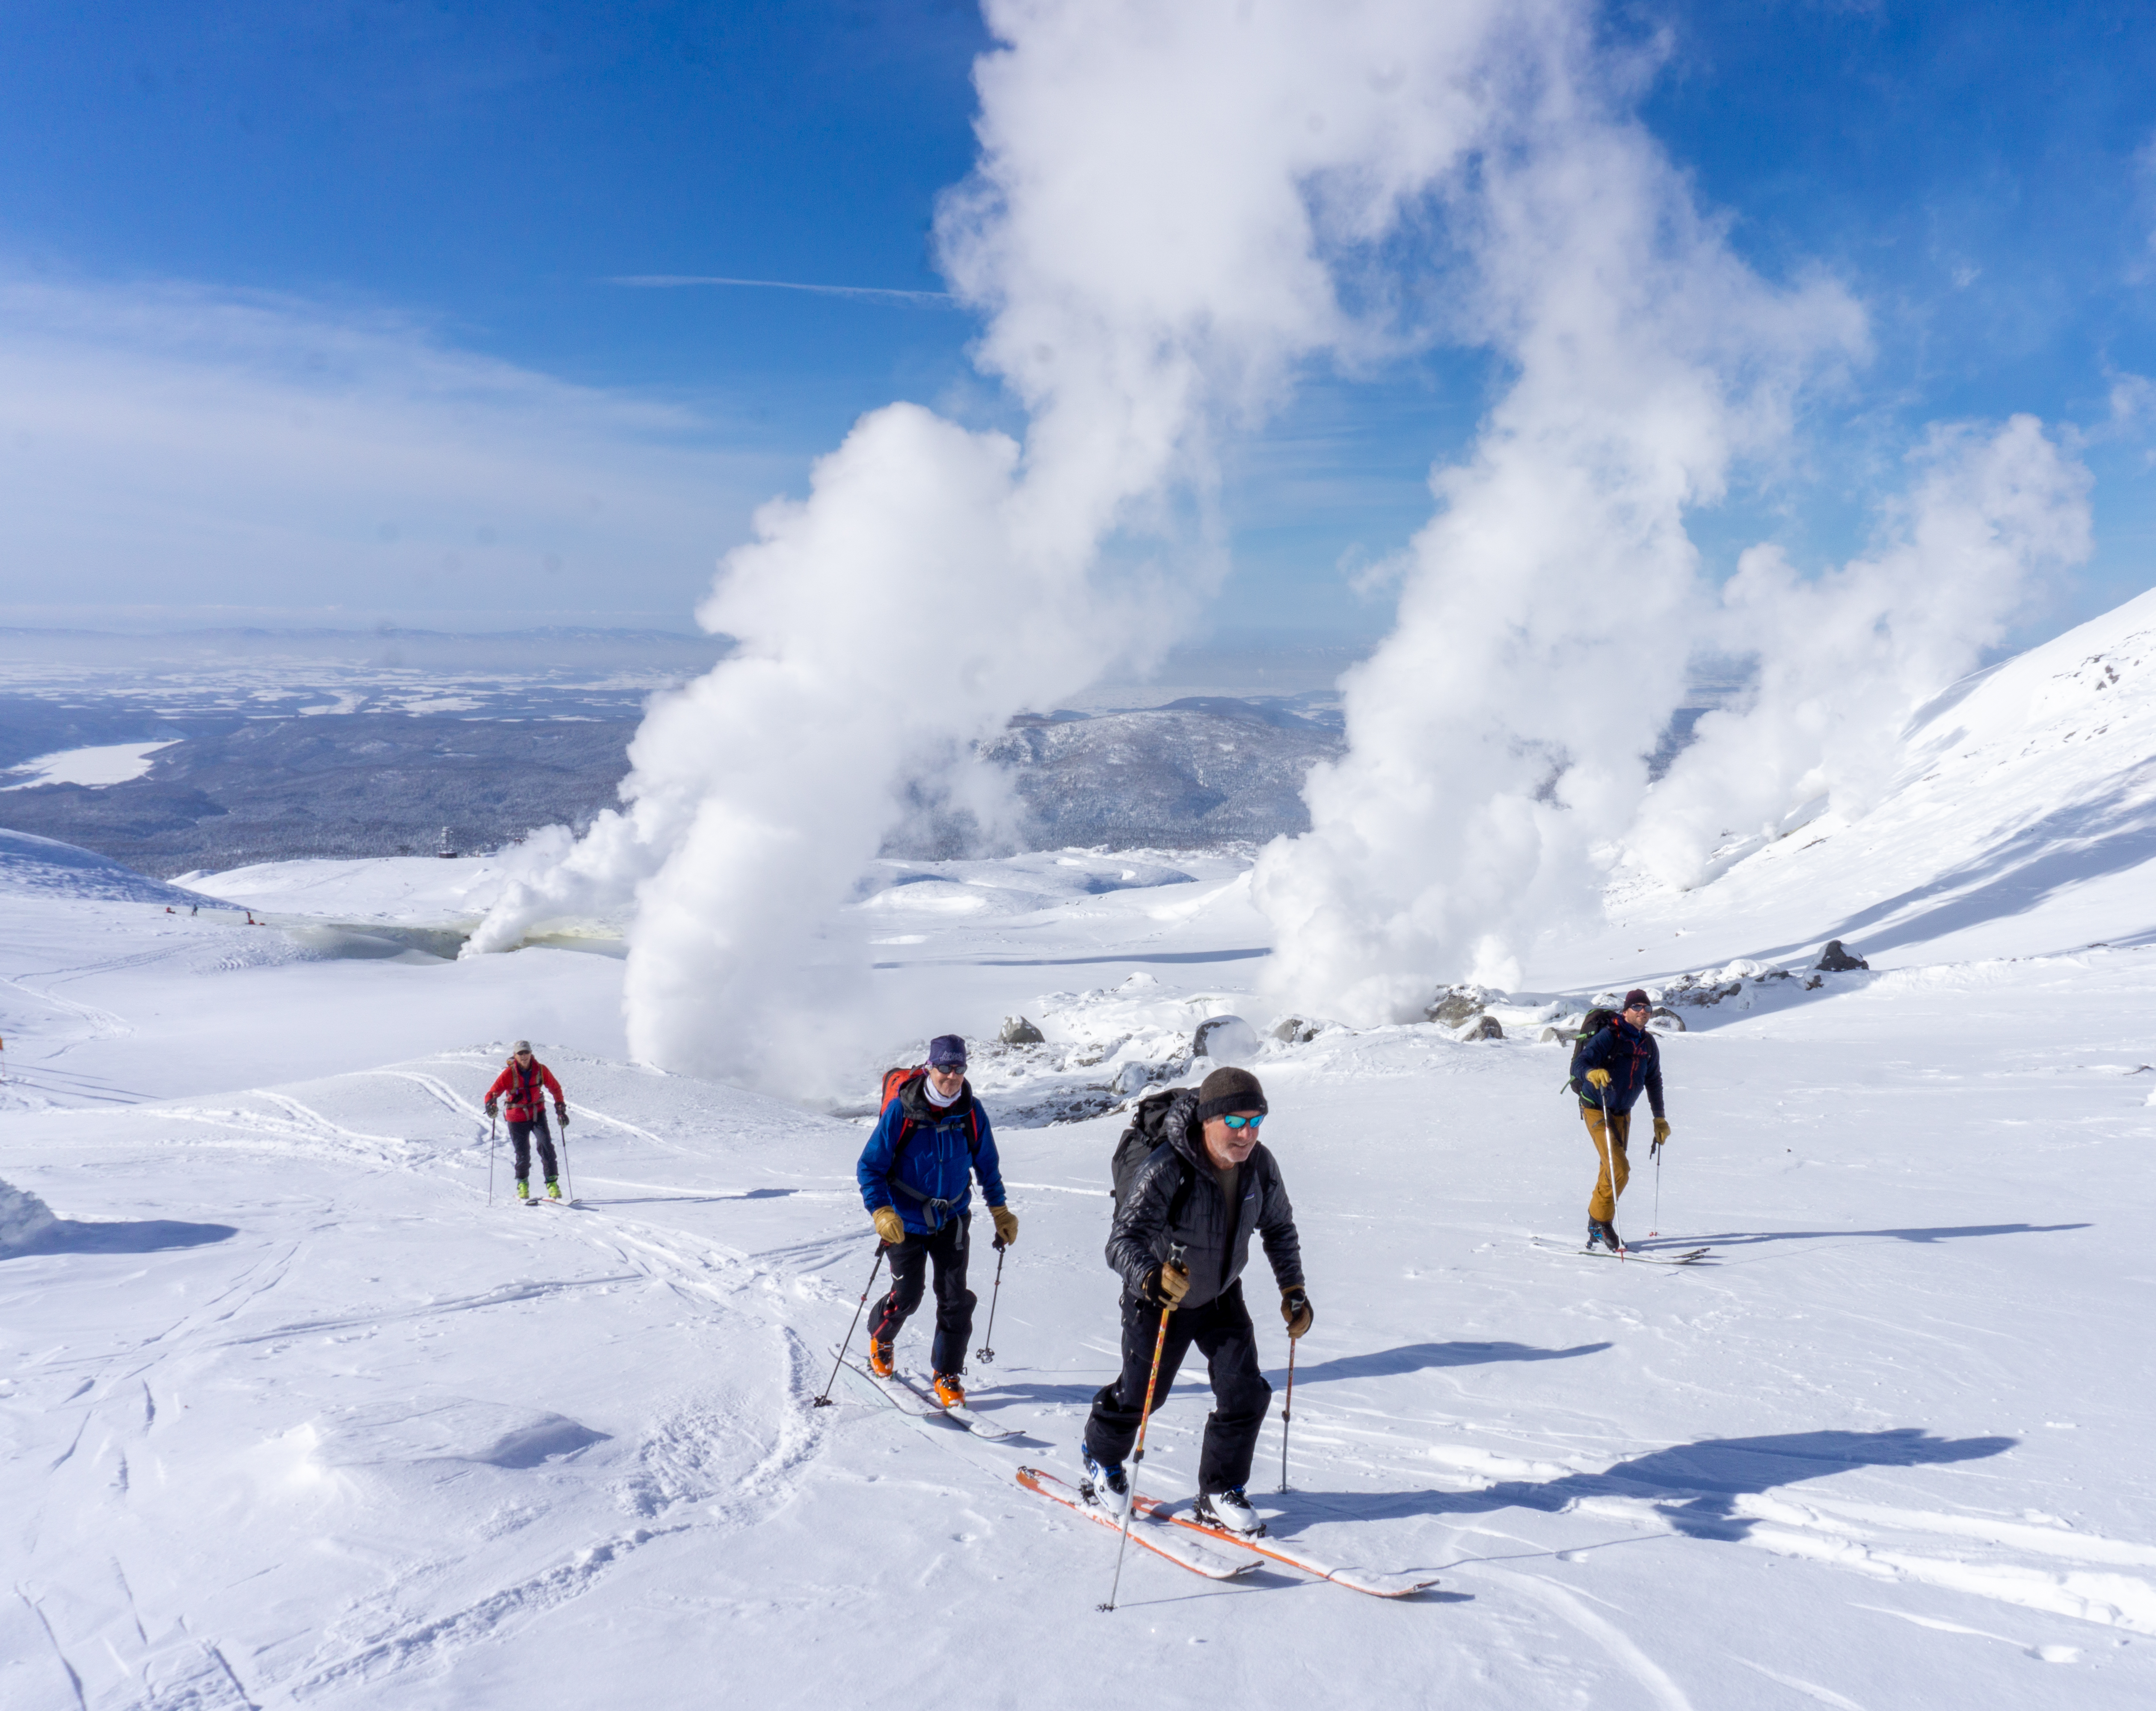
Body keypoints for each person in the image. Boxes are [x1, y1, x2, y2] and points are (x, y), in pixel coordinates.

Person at [1082, 1065, 1309, 1538]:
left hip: (1222, 1294)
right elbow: (1121, 1240)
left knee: (1244, 1392)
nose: (1245, 1133)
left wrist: (1292, 1290)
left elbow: (1279, 1229)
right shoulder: (1168, 1167)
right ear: (1207, 1119)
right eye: (1234, 1121)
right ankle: (1101, 1458)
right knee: (1143, 1395)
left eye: (1254, 1120)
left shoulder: (1260, 1165)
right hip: (1160, 1300)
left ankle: (1219, 1490)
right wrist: (1150, 1276)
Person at [856, 1035, 1016, 1407]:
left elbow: (987, 1165)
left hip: (953, 1219)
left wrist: (1000, 1210)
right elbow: (870, 1167)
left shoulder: (971, 1111)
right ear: (930, 1067)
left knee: (955, 1298)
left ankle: (947, 1371)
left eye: (959, 1068)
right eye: (944, 1067)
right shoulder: (902, 1111)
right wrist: (881, 1211)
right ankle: (881, 1339)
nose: (952, 1076)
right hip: (904, 1223)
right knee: (908, 1295)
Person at [1577, 989, 1671, 1252]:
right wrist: (1591, 1072)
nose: (1644, 1011)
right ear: (1626, 1011)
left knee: (1610, 1170)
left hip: (1623, 1112)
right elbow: (1580, 1064)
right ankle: (1600, 1221)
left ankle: (1598, 1221)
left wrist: (1659, 1118)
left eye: (1648, 1008)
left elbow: (1654, 1081)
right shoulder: (1610, 1036)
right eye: (1638, 1007)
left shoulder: (1648, 1044)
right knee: (1619, 1170)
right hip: (1598, 1108)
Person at [484, 1040, 569, 1202]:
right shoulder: (509, 1074)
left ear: (531, 1054)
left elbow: (555, 1088)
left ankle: (552, 1184)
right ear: (515, 1056)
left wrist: (560, 1108)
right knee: (523, 1153)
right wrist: (491, 1104)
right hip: (516, 1117)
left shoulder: (541, 1071)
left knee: (546, 1146)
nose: (524, 1057)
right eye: (520, 1054)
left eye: (526, 1053)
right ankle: (522, 1184)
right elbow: (493, 1092)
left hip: (538, 1114)